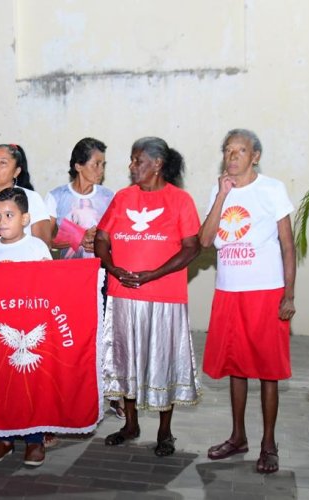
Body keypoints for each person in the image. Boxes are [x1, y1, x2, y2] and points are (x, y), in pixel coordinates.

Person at [94, 137, 202, 457]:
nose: (132, 166)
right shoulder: (122, 198)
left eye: (137, 160)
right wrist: (112, 267)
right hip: (122, 295)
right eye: (131, 160)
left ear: (157, 164)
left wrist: (153, 274)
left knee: (161, 361)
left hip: (164, 297)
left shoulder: (180, 200)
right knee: (126, 359)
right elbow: (102, 238)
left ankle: (165, 432)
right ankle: (130, 425)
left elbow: (192, 247)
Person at [199, 129, 296, 474]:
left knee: (268, 371)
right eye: (228, 150)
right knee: (234, 367)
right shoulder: (219, 190)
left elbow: (287, 244)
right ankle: (238, 436)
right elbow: (206, 240)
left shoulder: (271, 189)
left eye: (241, 150)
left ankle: (269, 444)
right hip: (229, 291)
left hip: (266, 291)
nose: (233, 156)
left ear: (255, 156)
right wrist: (222, 196)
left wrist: (289, 294)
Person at [44, 137, 123, 419]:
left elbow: (119, 235)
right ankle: (74, 389)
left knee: (106, 333)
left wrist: (102, 242)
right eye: (95, 163)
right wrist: (80, 236)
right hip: (69, 277)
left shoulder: (109, 197)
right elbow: (47, 239)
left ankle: (111, 392)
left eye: (103, 164)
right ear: (78, 165)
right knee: (72, 334)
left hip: (103, 274)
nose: (100, 169)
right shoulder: (56, 196)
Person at [0, 187, 52, 466]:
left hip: (29, 331)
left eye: (9, 215)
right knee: (3, 385)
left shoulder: (36, 247)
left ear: (25, 219)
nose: (2, 221)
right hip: (0, 331)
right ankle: (5, 437)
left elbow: (49, 289)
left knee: (30, 384)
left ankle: (34, 439)